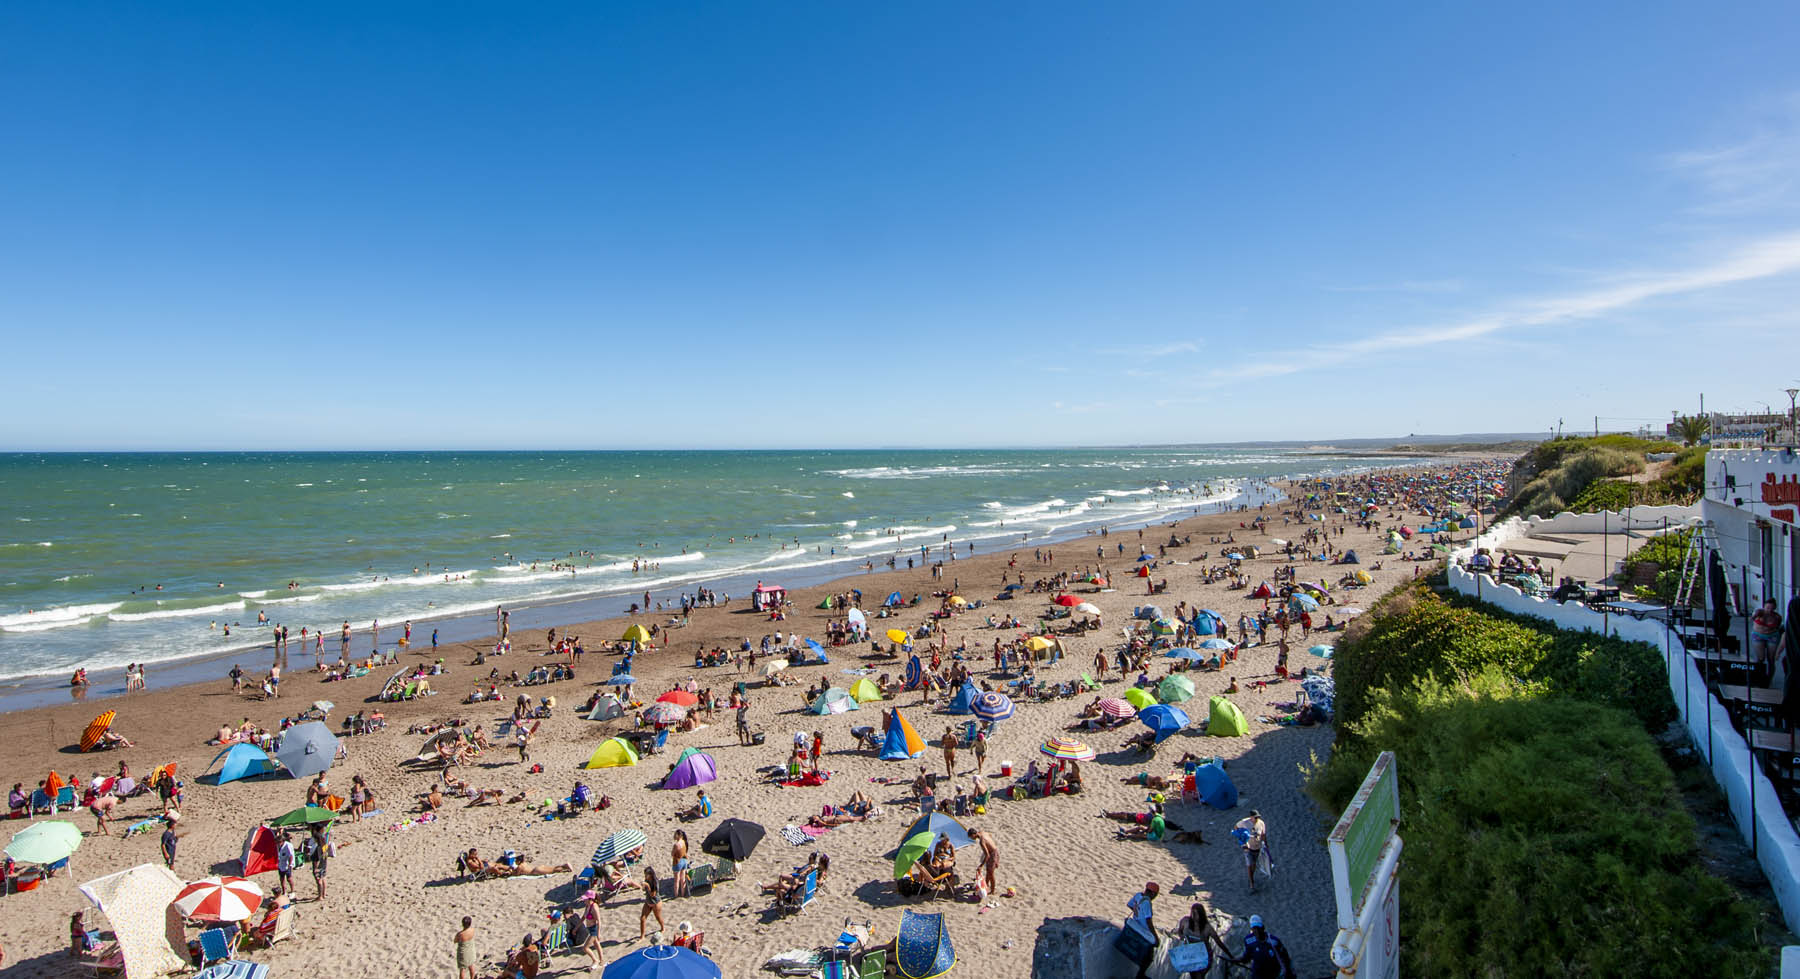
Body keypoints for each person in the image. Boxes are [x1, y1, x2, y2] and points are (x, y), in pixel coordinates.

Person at [1174, 902, 1230, 978]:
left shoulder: (1207, 927)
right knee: (1193, 975)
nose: (1193, 916)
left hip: (1205, 955)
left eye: (1196, 914)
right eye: (1192, 913)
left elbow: (1218, 942)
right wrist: (1182, 937)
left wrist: (1229, 955)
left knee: (1199, 976)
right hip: (1191, 954)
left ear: (1201, 915)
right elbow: (1180, 931)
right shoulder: (1185, 921)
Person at [1235, 914, 1296, 979]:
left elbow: (1285, 958)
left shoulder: (1274, 942)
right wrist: (1237, 960)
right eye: (1254, 928)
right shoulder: (1248, 940)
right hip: (1257, 975)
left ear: (1263, 928)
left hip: (1273, 974)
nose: (1257, 931)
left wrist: (1288, 973)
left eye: (1258, 928)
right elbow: (1247, 957)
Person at [1235, 810, 1269, 891]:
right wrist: (1242, 839)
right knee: (1249, 864)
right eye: (1255, 817)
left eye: (1258, 817)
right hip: (1248, 847)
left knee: (1254, 865)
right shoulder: (1244, 822)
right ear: (1251, 817)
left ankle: (1251, 878)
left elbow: (1263, 835)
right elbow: (1236, 827)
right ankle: (1251, 883)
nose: (1257, 818)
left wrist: (1266, 844)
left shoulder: (1261, 823)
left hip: (1257, 847)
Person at [971, 827, 999, 895]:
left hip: (992, 854)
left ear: (973, 835)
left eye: (971, 837)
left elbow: (987, 855)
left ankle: (992, 890)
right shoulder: (983, 832)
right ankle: (986, 885)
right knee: (988, 871)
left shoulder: (981, 841)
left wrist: (981, 866)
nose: (971, 838)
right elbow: (990, 835)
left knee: (991, 873)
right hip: (995, 851)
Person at [638, 867, 665, 939]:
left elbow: (653, 895)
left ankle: (663, 928)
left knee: (658, 917)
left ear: (650, 874)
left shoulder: (655, 882)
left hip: (656, 902)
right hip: (648, 901)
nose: (645, 876)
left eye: (646, 874)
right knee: (642, 918)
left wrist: (647, 886)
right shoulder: (646, 880)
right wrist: (643, 886)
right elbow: (645, 890)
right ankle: (642, 936)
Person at [671, 830, 690, 898]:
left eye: (676, 834)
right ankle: (682, 893)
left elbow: (672, 854)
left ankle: (676, 895)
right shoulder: (684, 842)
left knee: (677, 880)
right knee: (683, 879)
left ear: (679, 835)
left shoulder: (676, 845)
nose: (674, 836)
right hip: (684, 860)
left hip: (677, 861)